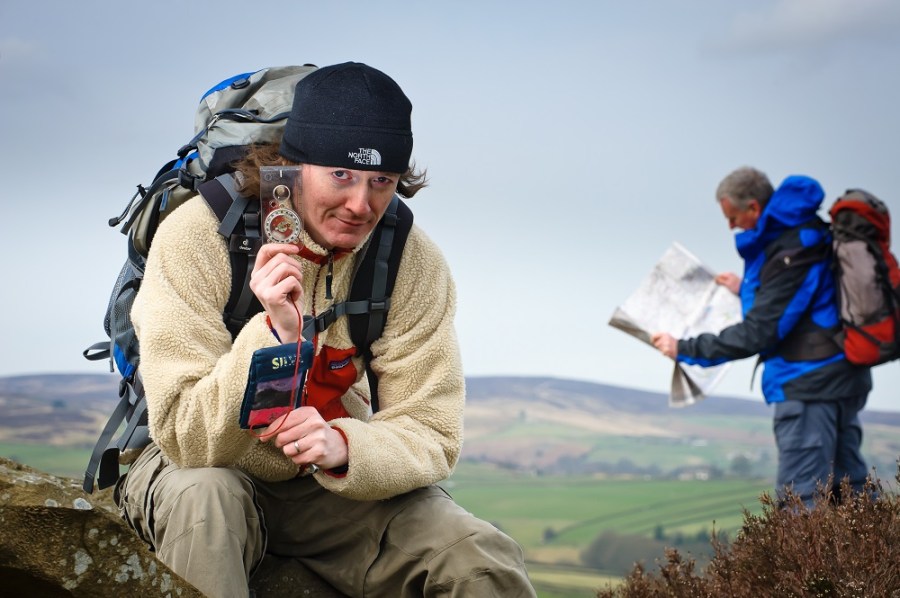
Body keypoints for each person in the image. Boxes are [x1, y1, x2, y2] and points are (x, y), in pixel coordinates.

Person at [117, 62, 537, 598]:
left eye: (380, 181)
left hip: (328, 483)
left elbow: (432, 431)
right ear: (292, 167)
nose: (362, 204)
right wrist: (275, 335)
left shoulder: (408, 259)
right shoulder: (200, 236)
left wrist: (344, 445)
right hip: (196, 470)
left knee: (478, 558)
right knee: (209, 503)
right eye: (341, 174)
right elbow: (185, 436)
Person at [651, 166, 872, 507]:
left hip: (808, 383)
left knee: (801, 504)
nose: (730, 226)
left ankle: (810, 562)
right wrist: (745, 290)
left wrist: (684, 348)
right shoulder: (800, 236)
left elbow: (760, 332)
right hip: (836, 377)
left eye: (733, 216)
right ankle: (882, 560)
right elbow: (802, 304)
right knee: (852, 494)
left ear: (754, 208)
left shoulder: (789, 251)